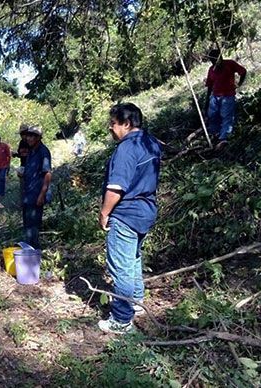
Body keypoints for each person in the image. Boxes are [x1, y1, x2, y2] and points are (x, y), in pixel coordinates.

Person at [97, 103, 161, 335]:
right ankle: (136, 301)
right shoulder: (150, 142)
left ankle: (121, 320)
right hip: (146, 210)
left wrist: (104, 212)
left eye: (113, 124)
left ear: (126, 123)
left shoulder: (126, 148)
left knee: (121, 267)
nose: (111, 129)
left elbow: (116, 187)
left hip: (126, 212)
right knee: (133, 259)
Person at [204, 49, 247, 148]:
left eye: (215, 60)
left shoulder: (229, 64)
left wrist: (239, 84)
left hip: (228, 96)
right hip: (215, 97)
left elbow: (243, 71)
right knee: (212, 115)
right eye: (212, 60)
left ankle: (224, 138)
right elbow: (210, 86)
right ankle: (215, 135)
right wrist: (207, 101)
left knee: (226, 116)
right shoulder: (211, 70)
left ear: (220, 57)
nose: (214, 62)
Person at [21, 125, 52, 250]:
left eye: (32, 136)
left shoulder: (43, 152)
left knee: (33, 226)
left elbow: (48, 173)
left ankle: (34, 252)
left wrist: (42, 194)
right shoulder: (31, 151)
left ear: (38, 137)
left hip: (36, 193)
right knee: (27, 224)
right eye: (28, 135)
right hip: (28, 192)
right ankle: (29, 251)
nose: (29, 138)